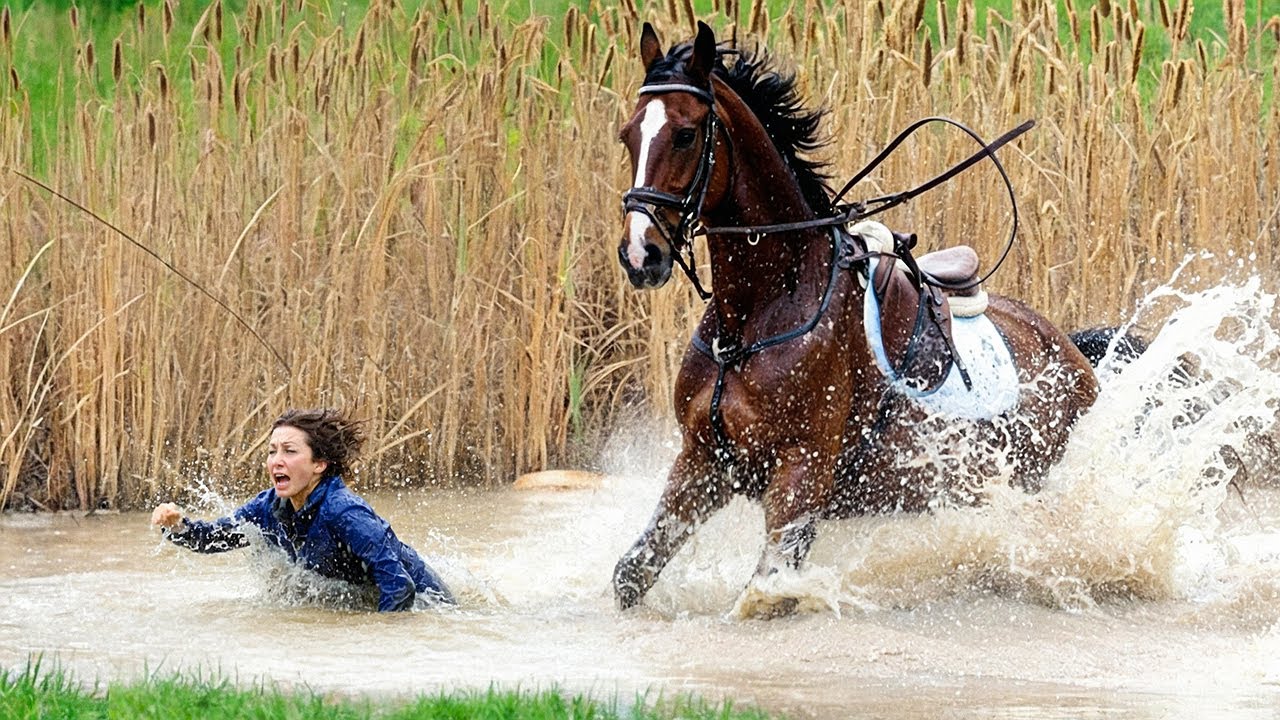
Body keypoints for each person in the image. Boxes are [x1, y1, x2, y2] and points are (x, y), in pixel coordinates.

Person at [151, 407, 454, 611]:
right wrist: (177, 526)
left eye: (290, 451)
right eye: (272, 452)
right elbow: (213, 539)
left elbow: (400, 587)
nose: (276, 461)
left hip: (431, 604)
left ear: (319, 464)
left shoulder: (345, 513)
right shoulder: (268, 507)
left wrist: (375, 645)